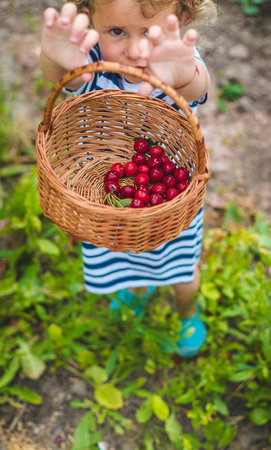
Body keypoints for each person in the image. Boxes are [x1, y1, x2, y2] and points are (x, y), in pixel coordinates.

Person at [40, 0, 216, 358]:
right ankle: (138, 291)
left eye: (148, 32)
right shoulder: (88, 58)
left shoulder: (176, 59)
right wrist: (54, 59)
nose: (135, 50)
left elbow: (197, 85)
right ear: (91, 18)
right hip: (115, 216)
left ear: (181, 19)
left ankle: (188, 313)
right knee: (128, 260)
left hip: (170, 211)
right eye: (117, 31)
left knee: (181, 271)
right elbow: (60, 76)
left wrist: (183, 77)